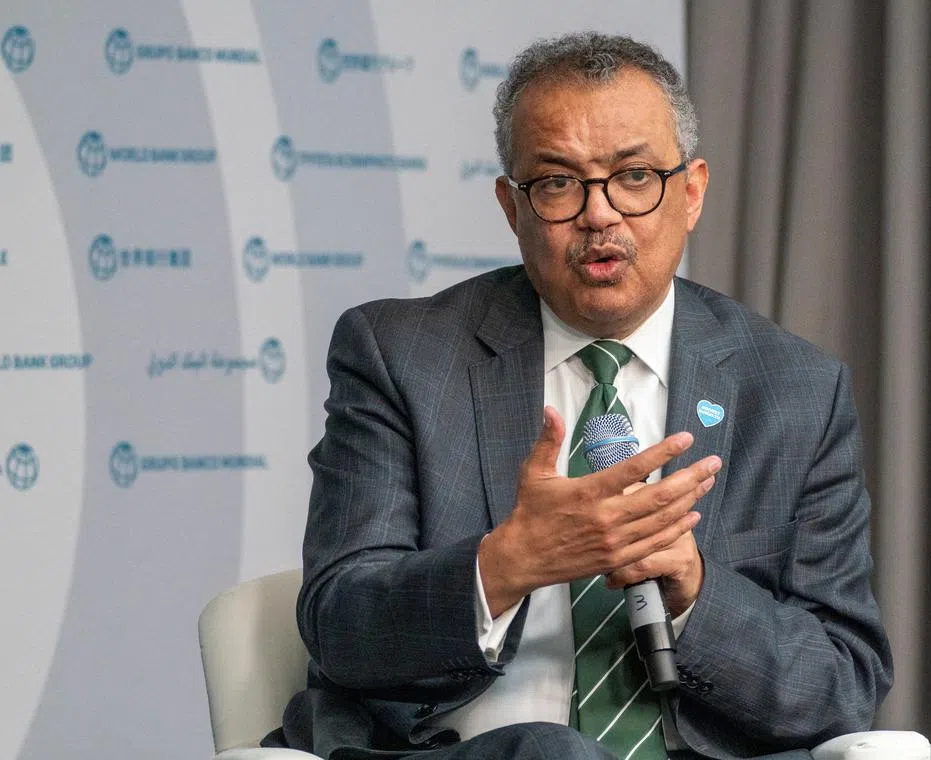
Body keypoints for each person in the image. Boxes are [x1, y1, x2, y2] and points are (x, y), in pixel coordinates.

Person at [265, 32, 891, 760]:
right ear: (512, 208)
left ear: (691, 193)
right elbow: (340, 626)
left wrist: (696, 591)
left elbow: (843, 683)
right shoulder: (403, 357)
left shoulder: (794, 390)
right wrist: (508, 563)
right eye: (559, 183)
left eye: (634, 176)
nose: (599, 215)